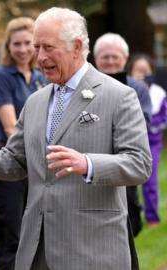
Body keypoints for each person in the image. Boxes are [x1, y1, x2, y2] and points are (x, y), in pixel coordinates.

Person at [0, 7, 152, 270]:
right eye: (37, 48)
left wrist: (88, 164)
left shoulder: (118, 96)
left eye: (48, 47)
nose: (40, 57)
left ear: (77, 46)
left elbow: (139, 164)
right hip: (37, 250)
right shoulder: (35, 101)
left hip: (92, 249)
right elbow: (13, 162)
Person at [0, 17, 47, 270]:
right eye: (16, 43)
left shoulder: (40, 76)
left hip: (37, 162)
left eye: (28, 43)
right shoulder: (0, 75)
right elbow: (11, 128)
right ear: (7, 46)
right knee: (12, 236)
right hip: (11, 162)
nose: (22, 49)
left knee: (37, 234)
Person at [93, 33, 152, 236]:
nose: (110, 61)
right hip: (93, 162)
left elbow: (143, 123)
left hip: (124, 161)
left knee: (130, 221)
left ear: (125, 59)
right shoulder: (88, 86)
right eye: (105, 57)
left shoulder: (137, 88)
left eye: (114, 56)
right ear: (96, 59)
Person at [128, 53, 167, 227]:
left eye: (146, 71)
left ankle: (152, 217)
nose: (142, 75)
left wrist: (151, 125)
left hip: (152, 142)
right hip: (130, 141)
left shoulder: (158, 93)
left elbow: (163, 116)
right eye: (138, 71)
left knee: (150, 181)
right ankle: (130, 216)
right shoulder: (127, 90)